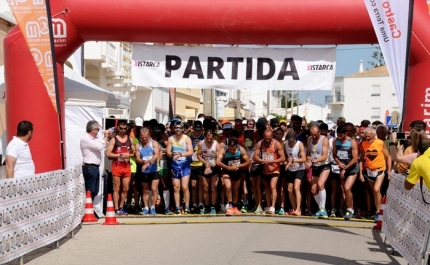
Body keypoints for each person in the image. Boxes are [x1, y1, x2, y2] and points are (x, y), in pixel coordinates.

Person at [359, 127, 391, 222]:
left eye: (369, 136)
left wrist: (389, 171)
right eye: (366, 136)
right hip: (369, 170)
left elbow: (388, 156)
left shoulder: (380, 143)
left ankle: (378, 212)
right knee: (373, 191)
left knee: (377, 189)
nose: (367, 138)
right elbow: (361, 159)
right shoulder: (364, 144)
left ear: (373, 135)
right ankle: (376, 210)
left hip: (380, 169)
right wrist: (360, 173)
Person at [106, 121, 136, 216]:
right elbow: (107, 153)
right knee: (117, 188)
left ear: (127, 129)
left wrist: (128, 155)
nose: (123, 131)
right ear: (118, 128)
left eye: (124, 129)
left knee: (126, 188)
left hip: (126, 166)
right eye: (121, 128)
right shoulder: (114, 139)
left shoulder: (130, 139)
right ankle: (116, 208)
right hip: (117, 165)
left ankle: (121, 206)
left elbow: (135, 153)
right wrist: (119, 155)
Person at [253, 129, 286, 214]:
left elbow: (283, 158)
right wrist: (263, 161)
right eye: (265, 138)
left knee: (272, 186)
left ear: (272, 136)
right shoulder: (260, 143)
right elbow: (255, 157)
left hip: (275, 169)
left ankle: (273, 207)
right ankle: (268, 206)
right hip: (265, 169)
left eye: (269, 138)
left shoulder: (277, 144)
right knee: (267, 188)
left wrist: (272, 162)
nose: (267, 140)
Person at [217, 138, 251, 216]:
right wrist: (228, 167)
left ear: (236, 147)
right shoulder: (224, 150)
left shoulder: (241, 149)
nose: (232, 151)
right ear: (228, 146)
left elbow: (248, 162)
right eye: (230, 149)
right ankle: (230, 205)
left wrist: (238, 166)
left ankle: (234, 206)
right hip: (227, 170)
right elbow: (218, 162)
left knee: (236, 189)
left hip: (237, 171)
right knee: (228, 187)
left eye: (234, 149)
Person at [166, 120, 194, 215]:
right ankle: (177, 207)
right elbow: (168, 152)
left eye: (180, 128)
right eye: (176, 128)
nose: (178, 130)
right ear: (173, 129)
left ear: (183, 129)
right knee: (176, 188)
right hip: (175, 166)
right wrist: (173, 154)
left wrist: (181, 154)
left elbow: (190, 151)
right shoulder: (171, 139)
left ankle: (186, 207)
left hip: (185, 165)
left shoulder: (187, 138)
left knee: (185, 187)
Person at [332, 126, 359, 220]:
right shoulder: (335, 141)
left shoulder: (352, 142)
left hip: (351, 168)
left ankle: (350, 209)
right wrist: (339, 163)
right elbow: (334, 155)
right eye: (337, 135)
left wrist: (345, 168)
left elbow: (355, 158)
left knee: (347, 188)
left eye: (341, 135)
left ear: (345, 134)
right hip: (342, 167)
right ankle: (348, 207)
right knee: (344, 189)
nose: (339, 137)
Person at [80, 120, 110, 200]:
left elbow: (105, 144)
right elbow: (99, 147)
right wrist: (105, 137)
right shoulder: (86, 139)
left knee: (95, 191)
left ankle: (89, 208)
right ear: (93, 130)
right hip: (89, 167)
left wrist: (107, 137)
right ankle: (87, 209)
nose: (98, 131)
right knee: (90, 190)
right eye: (97, 129)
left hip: (95, 167)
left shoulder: (95, 138)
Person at [307, 124, 330, 218]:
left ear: (319, 132)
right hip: (314, 166)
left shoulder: (324, 140)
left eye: (315, 134)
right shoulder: (309, 139)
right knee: (313, 190)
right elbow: (308, 153)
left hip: (324, 165)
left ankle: (322, 209)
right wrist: (308, 160)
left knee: (321, 184)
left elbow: (324, 156)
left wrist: (313, 161)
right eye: (312, 134)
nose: (314, 136)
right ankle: (321, 208)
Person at [135, 128, 160, 215]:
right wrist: (142, 162)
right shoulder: (138, 145)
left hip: (154, 170)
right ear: (140, 136)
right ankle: (146, 207)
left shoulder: (154, 143)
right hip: (145, 171)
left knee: (154, 189)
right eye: (142, 137)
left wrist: (149, 162)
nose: (144, 139)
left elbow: (156, 154)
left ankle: (152, 207)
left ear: (149, 135)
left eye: (146, 137)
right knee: (145, 190)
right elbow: (137, 158)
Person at [197, 129, 220, 214]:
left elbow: (220, 156)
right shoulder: (201, 143)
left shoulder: (216, 144)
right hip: (206, 166)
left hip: (214, 166)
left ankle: (213, 206)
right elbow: (198, 155)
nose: (209, 140)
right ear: (205, 137)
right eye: (207, 138)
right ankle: (206, 206)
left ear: (213, 137)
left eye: (211, 138)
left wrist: (215, 163)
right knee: (205, 188)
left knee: (213, 188)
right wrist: (205, 162)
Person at [284, 130, 306, 216]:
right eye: (290, 140)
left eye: (292, 140)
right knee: (289, 189)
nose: (291, 142)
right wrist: (287, 161)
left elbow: (304, 159)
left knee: (296, 188)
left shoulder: (299, 144)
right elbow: (285, 155)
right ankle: (293, 208)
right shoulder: (285, 144)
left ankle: (298, 209)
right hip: (290, 169)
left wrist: (293, 160)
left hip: (299, 168)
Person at [189, 120, 205, 213]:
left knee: (200, 185)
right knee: (193, 186)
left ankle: (200, 203)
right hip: (191, 165)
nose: (197, 132)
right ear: (193, 129)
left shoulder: (204, 138)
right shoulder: (188, 138)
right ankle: (194, 204)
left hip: (201, 164)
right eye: (196, 130)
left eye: (199, 130)